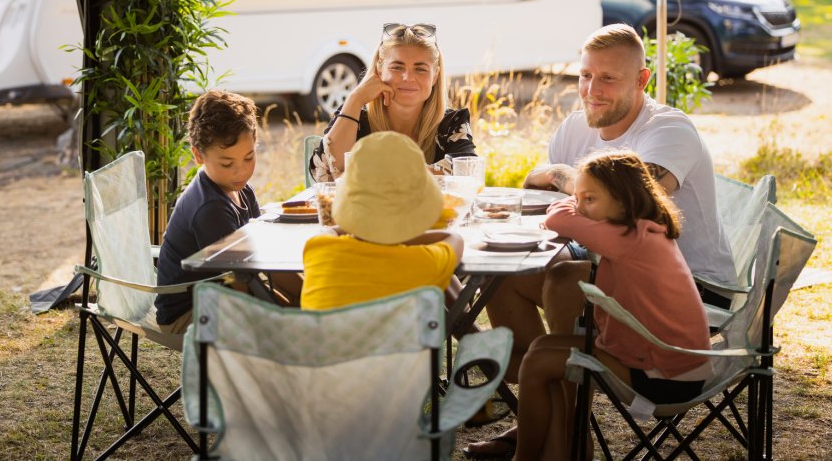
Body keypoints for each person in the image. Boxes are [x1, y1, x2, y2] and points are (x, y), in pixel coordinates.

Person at [466, 23, 733, 459]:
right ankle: (546, 414)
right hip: (618, 275)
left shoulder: (668, 130)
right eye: (586, 76)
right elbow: (534, 181)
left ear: (641, 80)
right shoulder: (577, 128)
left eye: (608, 78)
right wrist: (566, 179)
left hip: (692, 292)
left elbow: (633, 210)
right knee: (508, 276)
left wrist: (564, 178)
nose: (593, 89)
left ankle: (570, 438)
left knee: (565, 280)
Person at [507, 151, 711, 460]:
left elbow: (558, 218)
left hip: (665, 375)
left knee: (538, 363)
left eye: (590, 199)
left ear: (624, 200)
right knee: (540, 351)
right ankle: (557, 452)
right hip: (671, 361)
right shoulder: (641, 228)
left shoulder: (628, 238)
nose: (581, 208)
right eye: (579, 199)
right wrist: (582, 200)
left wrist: (569, 203)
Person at [156, 90, 298, 333]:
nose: (240, 172)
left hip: (227, 289)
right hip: (189, 312)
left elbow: (263, 256)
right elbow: (240, 285)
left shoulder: (242, 190)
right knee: (288, 323)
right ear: (198, 155)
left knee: (302, 305)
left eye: (249, 157)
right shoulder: (210, 209)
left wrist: (305, 295)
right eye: (226, 163)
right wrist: (289, 312)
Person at [301, 131, 464, 310]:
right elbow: (455, 239)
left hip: (325, 338)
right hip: (399, 339)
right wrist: (403, 235)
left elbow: (331, 230)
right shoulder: (427, 262)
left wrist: (358, 227)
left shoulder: (319, 248)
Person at [308, 22, 475, 183]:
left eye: (420, 69)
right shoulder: (354, 115)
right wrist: (355, 98)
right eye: (397, 67)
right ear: (379, 69)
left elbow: (466, 171)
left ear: (435, 76)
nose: (407, 77)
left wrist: (375, 173)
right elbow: (324, 173)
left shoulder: (453, 122)